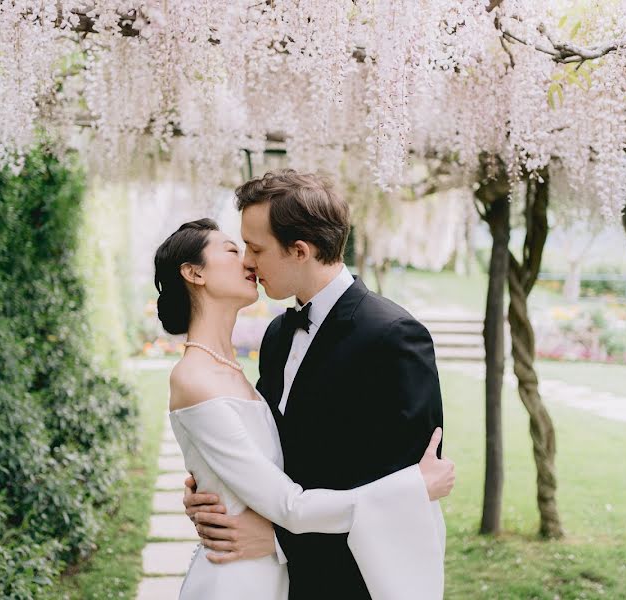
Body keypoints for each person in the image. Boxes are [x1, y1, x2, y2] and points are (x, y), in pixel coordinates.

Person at [181, 170, 449, 599]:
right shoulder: (277, 335)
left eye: (256, 248)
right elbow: (271, 453)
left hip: (352, 583)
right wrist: (215, 489)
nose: (247, 262)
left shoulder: (393, 336)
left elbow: (405, 495)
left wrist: (282, 544)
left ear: (299, 250)